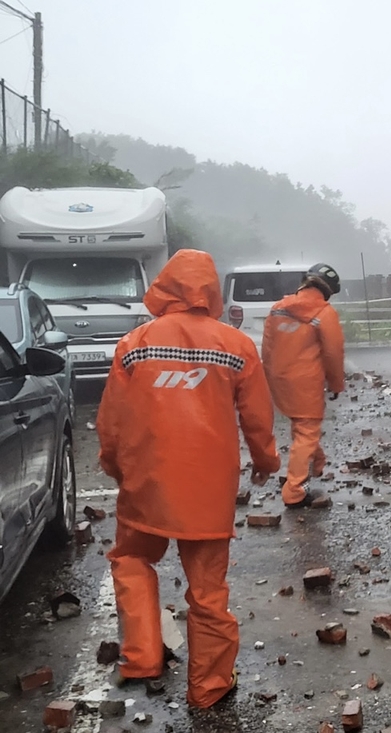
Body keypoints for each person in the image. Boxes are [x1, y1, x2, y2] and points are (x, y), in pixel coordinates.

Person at [97, 249, 280, 709]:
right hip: (208, 490)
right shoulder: (235, 345)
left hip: (147, 485)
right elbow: (257, 417)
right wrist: (266, 461)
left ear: (165, 285)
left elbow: (112, 422)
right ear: (211, 289)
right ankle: (210, 687)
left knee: (131, 559)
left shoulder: (134, 344)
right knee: (208, 591)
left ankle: (140, 657)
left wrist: (116, 468)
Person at [261, 262, 346, 508]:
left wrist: (268, 376)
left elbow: (268, 347)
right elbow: (333, 353)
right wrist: (336, 384)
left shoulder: (277, 308)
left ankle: (316, 464)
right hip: (306, 381)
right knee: (307, 430)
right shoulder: (324, 314)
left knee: (302, 427)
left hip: (278, 378)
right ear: (328, 290)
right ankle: (295, 492)